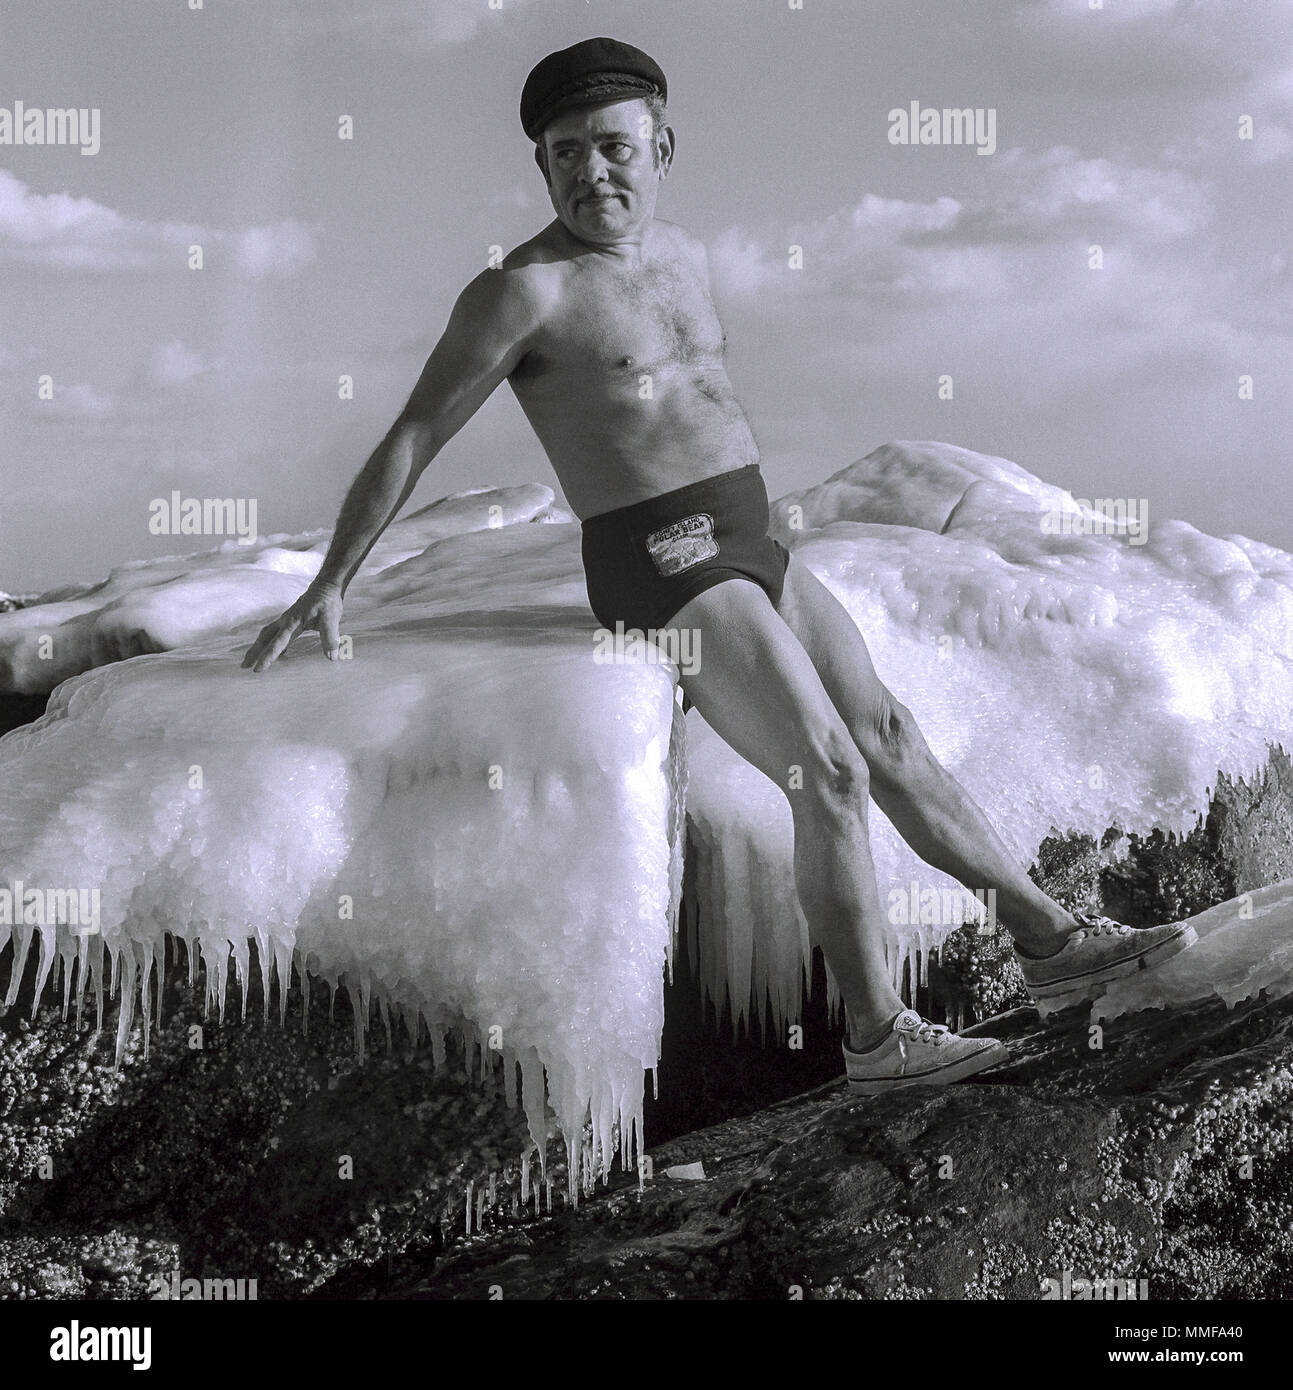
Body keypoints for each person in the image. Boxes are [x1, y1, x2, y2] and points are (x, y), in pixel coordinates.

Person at [241, 37, 1195, 1092]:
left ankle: (1052, 943)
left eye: (612, 147)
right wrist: (332, 575)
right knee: (825, 767)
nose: (589, 173)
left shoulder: (686, 256)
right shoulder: (521, 293)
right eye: (563, 155)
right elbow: (416, 431)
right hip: (662, 565)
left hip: (748, 538)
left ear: (663, 144)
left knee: (888, 736)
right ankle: (878, 1041)